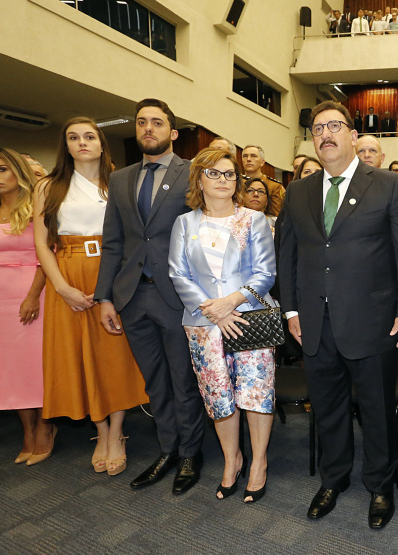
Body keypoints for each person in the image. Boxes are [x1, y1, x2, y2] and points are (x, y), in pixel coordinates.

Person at [278, 101, 398, 529]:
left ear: (353, 136)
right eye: (318, 128)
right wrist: (290, 310)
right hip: (314, 325)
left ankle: (379, 486)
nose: (326, 134)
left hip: (374, 322)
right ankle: (333, 479)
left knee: (377, 409)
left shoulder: (389, 185)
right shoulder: (298, 191)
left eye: (335, 126)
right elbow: (287, 256)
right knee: (327, 409)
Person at [96, 98, 205, 495]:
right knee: (155, 382)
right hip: (131, 297)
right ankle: (168, 449)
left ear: (173, 133)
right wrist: (105, 297)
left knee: (183, 379)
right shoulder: (121, 178)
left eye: (157, 123)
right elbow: (113, 243)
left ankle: (192, 453)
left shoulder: (192, 174)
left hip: (177, 296)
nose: (148, 129)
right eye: (142, 122)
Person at [33, 117, 148, 476]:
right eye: (73, 137)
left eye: (89, 136)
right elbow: (41, 243)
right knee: (79, 357)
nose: (81, 142)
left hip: (112, 274)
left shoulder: (122, 181)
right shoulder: (48, 186)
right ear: (65, 145)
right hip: (67, 276)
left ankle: (116, 432)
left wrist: (113, 287)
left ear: (101, 143)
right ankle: (99, 432)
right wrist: (62, 288)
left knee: (113, 357)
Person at [168, 148, 276, 503]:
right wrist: (214, 311)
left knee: (255, 396)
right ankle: (233, 461)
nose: (223, 180)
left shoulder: (253, 219)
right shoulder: (185, 223)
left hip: (249, 319)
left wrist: (230, 303)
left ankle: (258, 463)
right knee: (220, 398)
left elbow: (265, 273)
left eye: (230, 174)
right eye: (214, 173)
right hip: (202, 323)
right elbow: (178, 274)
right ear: (199, 179)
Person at [0, 148, 52, 466]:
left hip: (33, 294)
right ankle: (27, 431)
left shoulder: (38, 208)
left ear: (17, 171)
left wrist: (33, 296)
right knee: (9, 368)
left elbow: (47, 256)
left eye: (2, 169)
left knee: (35, 364)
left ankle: (46, 428)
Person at [241, 145, 283, 218]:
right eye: (245, 156)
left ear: (262, 162)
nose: (248, 159)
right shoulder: (235, 182)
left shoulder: (274, 186)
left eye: (253, 156)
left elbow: (276, 216)